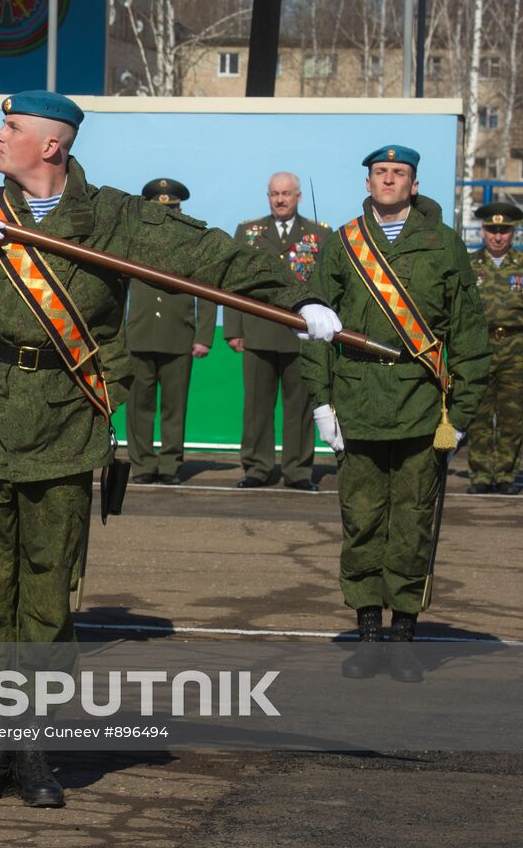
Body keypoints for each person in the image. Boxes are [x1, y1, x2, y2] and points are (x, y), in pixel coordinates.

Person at [0, 90, 339, 808]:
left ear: (51, 146)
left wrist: (295, 299)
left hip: (64, 417)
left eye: (12, 127)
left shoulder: (118, 217)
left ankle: (33, 750)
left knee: (47, 598)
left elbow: (210, 254)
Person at [301, 145, 489, 680]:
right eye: (380, 172)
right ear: (368, 183)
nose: (388, 179)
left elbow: (469, 333)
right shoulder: (341, 244)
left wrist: (465, 410)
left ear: (413, 183)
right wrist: (321, 401)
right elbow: (316, 326)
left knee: (411, 524)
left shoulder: (444, 245)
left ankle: (403, 636)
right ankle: (368, 636)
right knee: (360, 521)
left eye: (398, 173)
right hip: (357, 403)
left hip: (423, 406)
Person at [224, 172, 332, 491]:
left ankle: (298, 470)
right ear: (268, 196)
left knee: (299, 407)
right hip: (258, 331)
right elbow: (232, 283)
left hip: (301, 334)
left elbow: (326, 285)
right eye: (274, 193)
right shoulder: (249, 232)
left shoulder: (319, 235)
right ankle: (257, 467)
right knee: (257, 406)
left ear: (298, 196)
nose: (280, 199)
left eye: (286, 193)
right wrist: (233, 329)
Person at [124, 179, 215, 485]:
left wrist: (203, 336)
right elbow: (116, 286)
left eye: (171, 208)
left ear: (179, 209)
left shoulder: (193, 240)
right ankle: (143, 465)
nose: (166, 213)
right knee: (139, 407)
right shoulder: (132, 239)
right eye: (159, 208)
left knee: (174, 409)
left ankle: (170, 466)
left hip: (179, 336)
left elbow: (209, 289)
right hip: (139, 334)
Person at [465, 202, 523, 494]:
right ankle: (480, 475)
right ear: (483, 231)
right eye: (492, 230)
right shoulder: (469, 265)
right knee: (479, 414)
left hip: (516, 348)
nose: (498, 237)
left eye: (504, 230)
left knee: (513, 416)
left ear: (513, 232)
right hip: (480, 347)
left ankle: (506, 473)